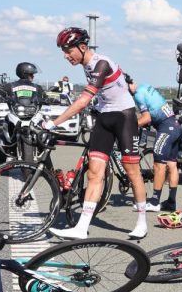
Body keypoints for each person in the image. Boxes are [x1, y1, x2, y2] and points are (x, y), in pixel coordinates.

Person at [45, 27, 150, 240]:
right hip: (104, 118)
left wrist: (53, 123)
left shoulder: (101, 63)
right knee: (94, 173)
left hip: (123, 117)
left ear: (82, 47)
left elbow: (83, 100)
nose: (66, 56)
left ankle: (142, 222)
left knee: (133, 173)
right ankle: (82, 228)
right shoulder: (87, 65)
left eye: (68, 50)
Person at [129, 79, 182, 212]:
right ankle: (171, 202)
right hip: (175, 125)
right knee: (172, 165)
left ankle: (154, 202)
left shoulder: (137, 96)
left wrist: (128, 127)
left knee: (159, 166)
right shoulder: (145, 86)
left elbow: (146, 118)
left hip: (165, 128)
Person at [0, 62, 46, 163]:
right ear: (25, 73)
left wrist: (50, 99)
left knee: (47, 132)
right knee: (1, 126)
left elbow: (45, 97)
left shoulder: (36, 87)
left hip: (33, 114)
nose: (33, 76)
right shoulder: (12, 86)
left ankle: (50, 168)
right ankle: (0, 161)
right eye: (31, 74)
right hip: (15, 114)